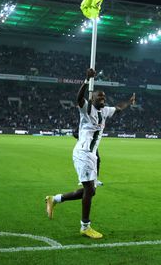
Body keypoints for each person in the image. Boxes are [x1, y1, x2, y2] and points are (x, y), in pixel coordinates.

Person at [45, 68, 135, 239]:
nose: (103, 99)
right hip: (83, 153)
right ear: (92, 99)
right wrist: (86, 80)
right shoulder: (86, 109)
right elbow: (78, 98)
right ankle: (85, 226)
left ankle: (54, 199)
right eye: (99, 97)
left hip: (91, 154)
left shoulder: (104, 111)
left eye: (104, 98)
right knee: (88, 189)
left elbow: (119, 108)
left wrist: (129, 102)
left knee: (90, 191)